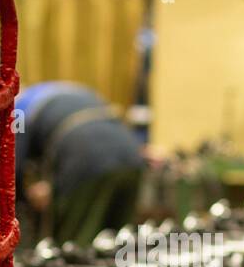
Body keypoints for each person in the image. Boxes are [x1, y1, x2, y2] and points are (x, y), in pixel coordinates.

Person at [12, 82, 146, 245]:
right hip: (131, 154)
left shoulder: (18, 109)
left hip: (87, 158)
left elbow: (12, 164)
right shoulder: (67, 90)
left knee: (75, 246)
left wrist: (20, 203)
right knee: (119, 243)